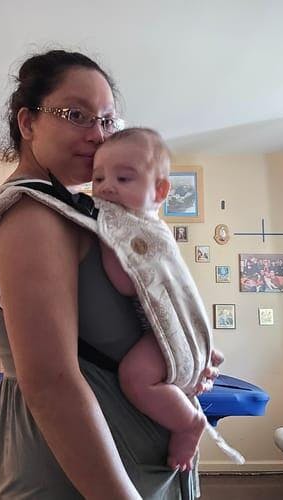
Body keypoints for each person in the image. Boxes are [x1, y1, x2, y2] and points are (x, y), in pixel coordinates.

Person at [0, 49, 222, 499]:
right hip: (83, 471)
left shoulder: (84, 213)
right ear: (28, 123)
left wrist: (184, 350)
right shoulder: (32, 215)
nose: (97, 134)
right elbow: (51, 384)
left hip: (128, 458)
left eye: (106, 120)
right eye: (76, 115)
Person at [92, 127, 223, 471]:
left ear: (160, 191)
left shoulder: (146, 232)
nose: (106, 187)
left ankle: (189, 423)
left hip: (166, 330)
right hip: (163, 326)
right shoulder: (132, 222)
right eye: (98, 178)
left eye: (123, 178)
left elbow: (127, 283)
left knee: (136, 376)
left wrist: (107, 244)